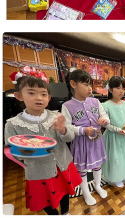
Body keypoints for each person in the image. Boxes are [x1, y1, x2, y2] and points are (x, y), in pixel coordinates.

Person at [5, 68, 81, 215]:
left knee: (65, 192)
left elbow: (70, 137)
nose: (39, 98)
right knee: (45, 199)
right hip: (39, 172)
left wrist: (63, 130)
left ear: (49, 97)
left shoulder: (56, 116)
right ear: (19, 96)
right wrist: (30, 150)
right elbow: (12, 152)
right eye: (31, 93)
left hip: (63, 165)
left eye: (43, 94)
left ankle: (66, 213)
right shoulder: (13, 124)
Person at [61, 69, 108, 206]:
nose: (90, 88)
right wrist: (82, 130)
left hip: (97, 140)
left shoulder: (95, 101)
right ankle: (86, 193)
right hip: (80, 143)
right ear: (73, 84)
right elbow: (67, 127)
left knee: (97, 165)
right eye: (86, 85)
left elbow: (104, 115)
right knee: (82, 169)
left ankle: (97, 186)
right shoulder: (67, 106)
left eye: (90, 85)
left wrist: (105, 120)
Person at [101, 76, 125, 188]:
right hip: (113, 136)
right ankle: (116, 177)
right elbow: (106, 124)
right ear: (111, 90)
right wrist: (118, 130)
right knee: (115, 157)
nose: (121, 91)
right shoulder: (105, 105)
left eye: (123, 88)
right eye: (118, 88)